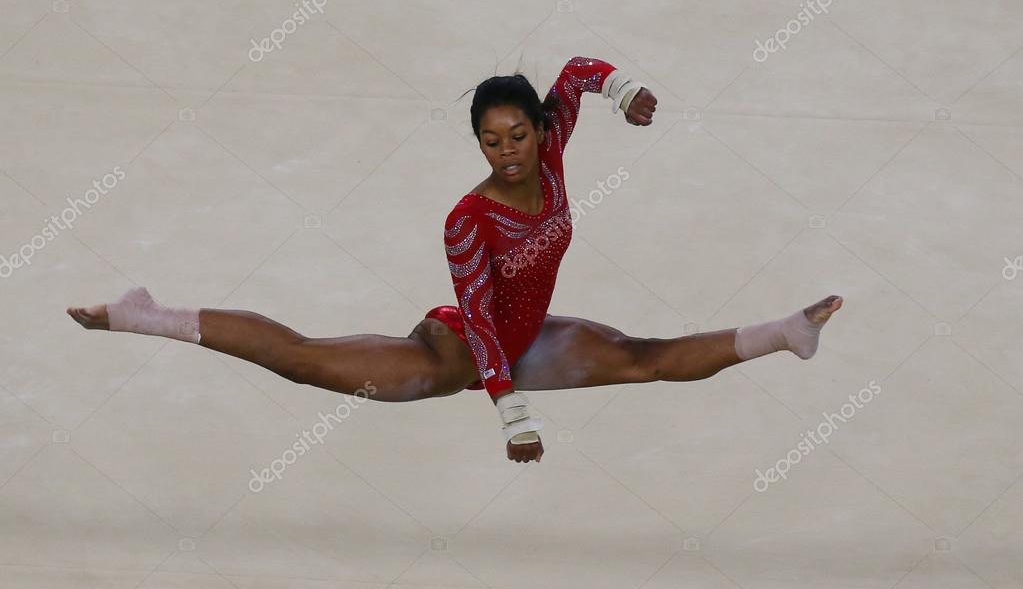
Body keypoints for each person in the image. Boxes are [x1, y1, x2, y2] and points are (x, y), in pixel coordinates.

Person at [68, 56, 842, 465]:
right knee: (303, 362)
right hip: (460, 350)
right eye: (489, 140)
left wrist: (623, 88)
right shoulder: (467, 220)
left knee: (644, 360)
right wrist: (511, 415)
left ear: (540, 130)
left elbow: (574, 70)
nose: (505, 152)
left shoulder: (555, 151)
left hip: (528, 336)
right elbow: (475, 319)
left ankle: (782, 332)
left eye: (516, 135)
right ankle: (146, 315)